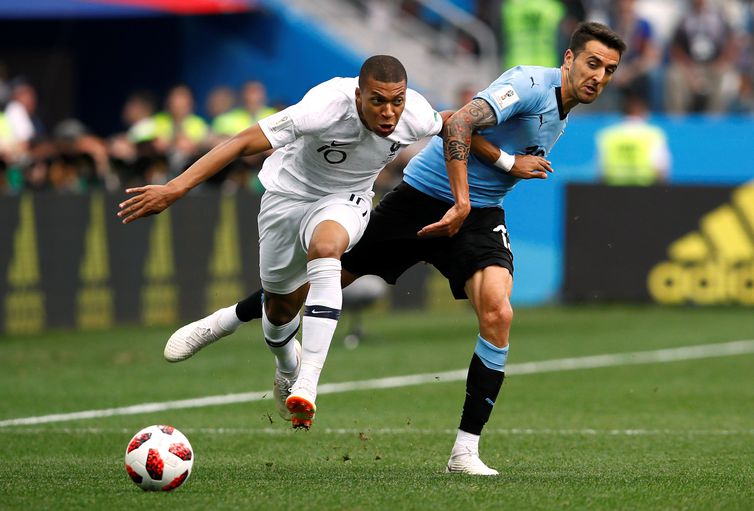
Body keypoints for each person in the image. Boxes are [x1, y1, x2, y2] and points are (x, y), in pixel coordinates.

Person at [161, 22, 626, 476]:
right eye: (591, 63)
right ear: (568, 58)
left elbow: (445, 121)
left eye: (608, 70)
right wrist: (489, 175)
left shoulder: (561, 107)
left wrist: (482, 192)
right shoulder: (527, 84)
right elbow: (462, 121)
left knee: (499, 314)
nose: (598, 77)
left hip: (481, 215)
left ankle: (465, 451)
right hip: (421, 199)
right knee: (301, 294)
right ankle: (226, 321)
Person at [118, 55, 447, 431]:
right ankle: (264, 350)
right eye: (378, 101)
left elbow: (454, 124)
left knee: (326, 250)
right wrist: (175, 188)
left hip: (347, 201)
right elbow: (243, 141)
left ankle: (307, 383)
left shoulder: (417, 113)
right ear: (359, 96)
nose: (389, 113)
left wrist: (502, 162)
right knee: (279, 310)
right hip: (287, 198)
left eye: (397, 101)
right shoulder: (324, 107)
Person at [596, 92, 670, 186]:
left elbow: (601, 170)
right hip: (646, 192)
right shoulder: (653, 135)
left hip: (614, 192)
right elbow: (661, 169)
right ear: (643, 111)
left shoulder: (608, 135)